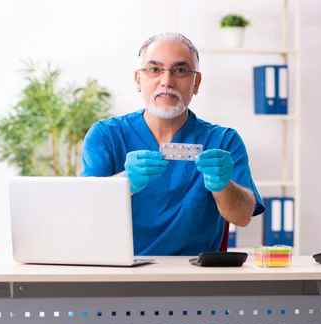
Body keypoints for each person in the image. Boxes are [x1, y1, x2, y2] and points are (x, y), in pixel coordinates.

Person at [80, 32, 265, 256]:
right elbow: (85, 211)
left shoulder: (223, 141)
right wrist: (124, 183)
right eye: (154, 69)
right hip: (120, 272)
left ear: (196, 83)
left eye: (180, 70)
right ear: (139, 80)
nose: (166, 81)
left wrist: (223, 185)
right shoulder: (106, 136)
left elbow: (243, 217)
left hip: (195, 276)